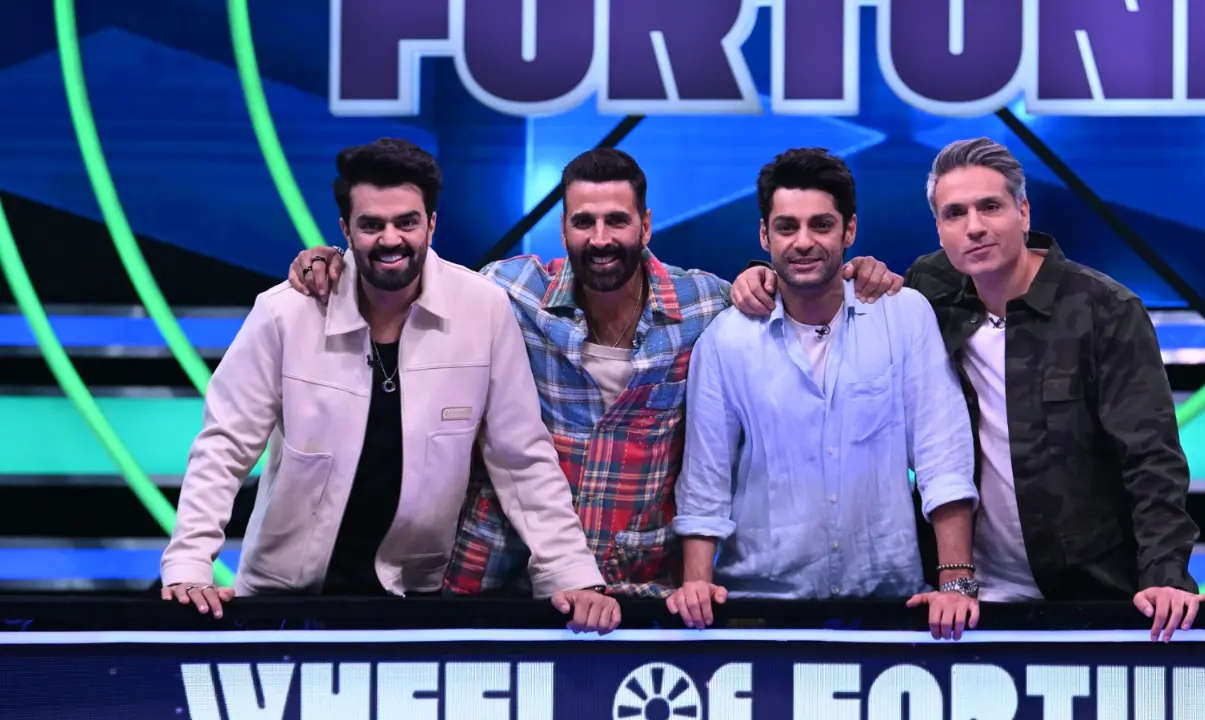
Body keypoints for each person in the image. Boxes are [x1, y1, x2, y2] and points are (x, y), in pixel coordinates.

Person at [286, 148, 903, 598]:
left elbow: (791, 284)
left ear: (646, 225)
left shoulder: (706, 306)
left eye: (617, 221)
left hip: (641, 589)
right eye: (584, 222)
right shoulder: (509, 293)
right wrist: (333, 260)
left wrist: (839, 272)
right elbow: (405, 266)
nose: (600, 237)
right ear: (563, 228)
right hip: (500, 578)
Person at [730, 137, 1205, 642]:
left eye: (990, 207)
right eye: (955, 213)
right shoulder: (929, 290)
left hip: (1090, 595)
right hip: (962, 604)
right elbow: (828, 281)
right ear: (939, 229)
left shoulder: (1105, 311)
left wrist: (1165, 576)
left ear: (1023, 212)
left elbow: (1151, 460)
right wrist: (759, 277)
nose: (975, 227)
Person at [160, 139, 620, 634]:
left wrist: (572, 574)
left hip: (413, 596)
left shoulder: (483, 310)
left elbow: (521, 457)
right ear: (345, 231)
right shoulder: (284, 313)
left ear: (431, 224)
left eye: (406, 222)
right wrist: (189, 562)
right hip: (281, 596)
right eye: (371, 225)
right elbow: (224, 446)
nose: (390, 239)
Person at [668, 148, 980, 641]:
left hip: (890, 604)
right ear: (764, 236)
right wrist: (696, 587)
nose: (803, 242)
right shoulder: (726, 339)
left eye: (821, 225)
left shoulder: (904, 315)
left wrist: (957, 584)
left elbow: (943, 458)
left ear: (849, 230)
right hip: (757, 608)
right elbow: (705, 482)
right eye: (787, 227)